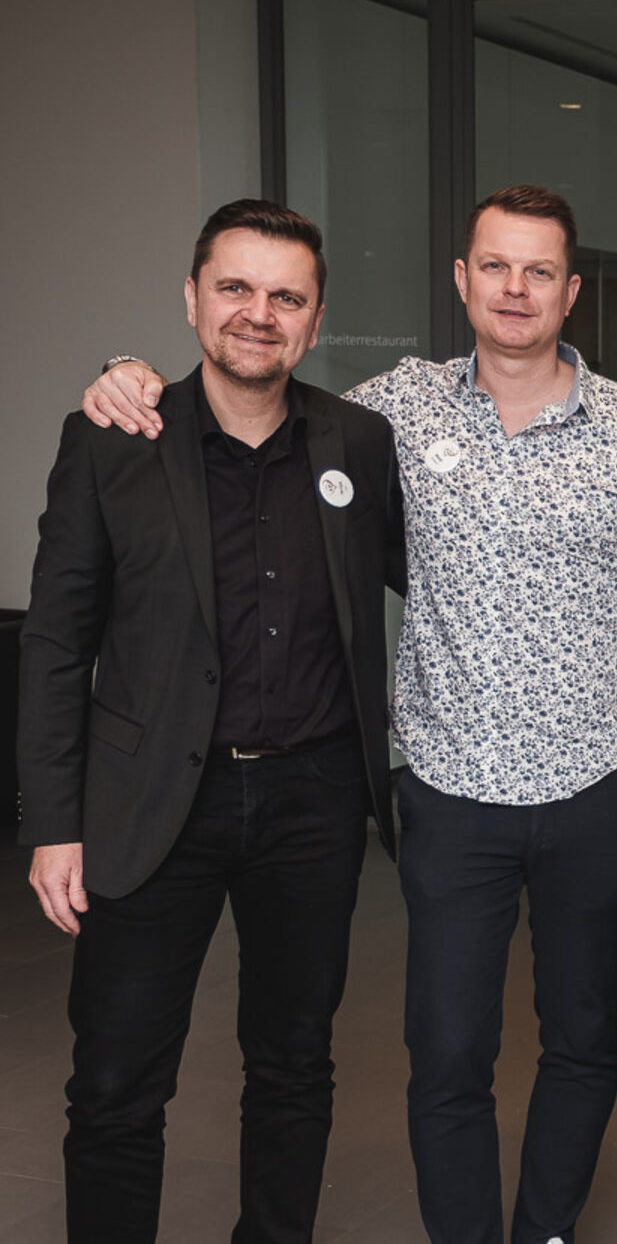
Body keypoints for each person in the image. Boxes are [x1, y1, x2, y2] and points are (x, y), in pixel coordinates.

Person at [80, 184, 617, 1244]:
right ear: (462, 280)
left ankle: (547, 1229)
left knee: (584, 1037)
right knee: (449, 1052)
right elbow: (254, 394)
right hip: (449, 794)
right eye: (495, 266)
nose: (515, 289)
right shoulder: (388, 415)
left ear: (571, 292)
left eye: (540, 271)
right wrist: (127, 371)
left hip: (598, 790)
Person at [18, 200, 404, 1242]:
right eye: (235, 287)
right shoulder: (111, 439)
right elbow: (54, 641)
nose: (258, 313)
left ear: (315, 319)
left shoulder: (361, 442)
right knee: (115, 1080)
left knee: (294, 1064)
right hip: (150, 800)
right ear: (191, 298)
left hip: (312, 800)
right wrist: (53, 822)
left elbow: (442, 582)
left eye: (286, 296)